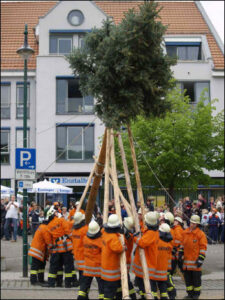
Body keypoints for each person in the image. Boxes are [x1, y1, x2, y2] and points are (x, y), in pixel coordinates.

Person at [41, 206, 74, 288]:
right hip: (66, 246)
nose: (57, 212)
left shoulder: (48, 226)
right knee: (68, 266)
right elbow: (68, 231)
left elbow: (49, 239)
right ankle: (68, 284)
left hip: (57, 248)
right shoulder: (61, 220)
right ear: (54, 214)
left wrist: (51, 247)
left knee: (55, 266)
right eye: (55, 212)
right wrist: (73, 239)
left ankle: (52, 283)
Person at [178, 215, 207, 299]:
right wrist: (180, 254)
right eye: (191, 223)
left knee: (196, 281)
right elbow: (182, 245)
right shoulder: (185, 232)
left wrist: (201, 259)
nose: (192, 225)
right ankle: (190, 294)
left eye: (194, 223)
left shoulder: (200, 234)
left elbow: (203, 247)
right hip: (186, 264)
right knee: (188, 281)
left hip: (195, 263)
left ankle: (196, 295)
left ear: (197, 224)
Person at [133, 211, 159, 299]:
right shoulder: (151, 231)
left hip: (147, 264)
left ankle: (147, 297)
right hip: (144, 264)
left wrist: (134, 237)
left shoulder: (151, 233)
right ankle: (143, 296)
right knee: (141, 285)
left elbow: (142, 243)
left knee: (147, 286)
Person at [101, 214, 125, 300]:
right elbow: (118, 248)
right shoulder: (113, 238)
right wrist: (124, 247)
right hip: (111, 271)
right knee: (109, 293)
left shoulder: (104, 232)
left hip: (105, 268)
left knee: (109, 290)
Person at [77, 220, 103, 299]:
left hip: (87, 267)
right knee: (102, 288)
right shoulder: (100, 240)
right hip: (98, 268)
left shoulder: (85, 238)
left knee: (84, 287)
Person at [150, 223, 173, 300]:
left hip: (154, 271)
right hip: (163, 271)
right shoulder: (168, 244)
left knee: (153, 290)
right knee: (163, 291)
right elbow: (169, 257)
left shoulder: (156, 241)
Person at [28, 217, 51, 285]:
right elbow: (48, 240)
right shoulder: (45, 229)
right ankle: (33, 281)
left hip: (37, 250)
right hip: (38, 250)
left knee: (41, 265)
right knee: (35, 266)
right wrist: (52, 246)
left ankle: (40, 279)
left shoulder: (41, 227)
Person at [71, 212, 88, 284]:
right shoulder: (85, 229)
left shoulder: (74, 230)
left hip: (77, 253)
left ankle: (81, 281)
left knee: (81, 269)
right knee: (83, 269)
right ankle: (83, 282)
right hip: (83, 253)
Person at [122, 216, 136, 299]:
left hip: (125, 261)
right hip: (126, 260)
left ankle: (132, 296)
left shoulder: (127, 236)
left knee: (126, 280)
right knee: (126, 280)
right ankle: (131, 295)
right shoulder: (129, 235)